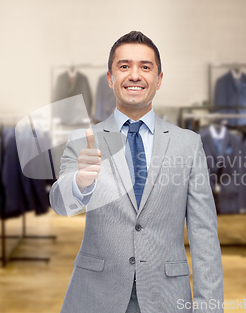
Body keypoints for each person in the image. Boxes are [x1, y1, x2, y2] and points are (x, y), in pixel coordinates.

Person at [50, 31, 224, 313]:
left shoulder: (188, 144)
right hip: (95, 296)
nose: (134, 75)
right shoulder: (83, 139)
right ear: (110, 78)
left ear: (159, 79)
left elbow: (204, 234)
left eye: (145, 67)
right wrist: (79, 182)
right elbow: (59, 204)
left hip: (166, 298)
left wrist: (210, 307)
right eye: (124, 66)